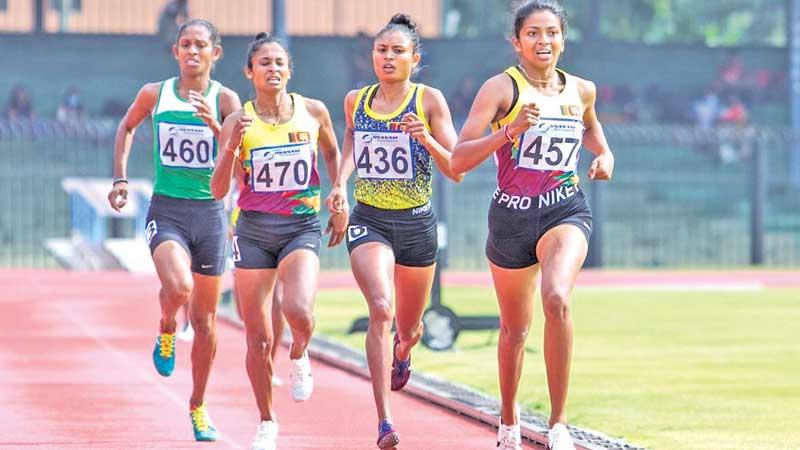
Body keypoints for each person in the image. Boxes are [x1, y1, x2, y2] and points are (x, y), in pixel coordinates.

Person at [450, 2, 615, 449]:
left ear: (563, 38)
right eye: (533, 34)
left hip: (565, 208)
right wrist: (509, 131)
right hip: (510, 218)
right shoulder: (501, 88)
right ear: (517, 41)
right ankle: (508, 419)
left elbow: (593, 133)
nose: (544, 42)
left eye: (552, 33)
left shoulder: (582, 90)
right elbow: (458, 158)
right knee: (514, 329)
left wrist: (604, 155)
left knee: (557, 297)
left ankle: (559, 424)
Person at [328, 13, 463, 449]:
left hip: (416, 222)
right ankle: (384, 421)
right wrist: (340, 185)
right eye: (382, 50)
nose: (388, 58)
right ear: (373, 56)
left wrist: (425, 138)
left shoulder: (428, 101)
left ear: (414, 58)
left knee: (408, 328)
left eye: (398, 51)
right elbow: (351, 139)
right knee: (381, 309)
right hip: (369, 219)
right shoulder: (356, 100)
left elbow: (455, 167)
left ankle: (403, 352)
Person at [106, 19, 241, 442]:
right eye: (186, 44)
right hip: (167, 208)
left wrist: (217, 125)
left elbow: (238, 157)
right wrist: (121, 179)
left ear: (215, 54)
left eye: (201, 45)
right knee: (179, 288)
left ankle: (198, 406)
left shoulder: (226, 99)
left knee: (205, 321)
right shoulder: (155, 93)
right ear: (176, 51)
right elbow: (126, 126)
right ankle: (166, 327)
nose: (193, 52)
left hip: (210, 213)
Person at [211, 32, 346, 450]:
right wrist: (232, 145)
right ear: (249, 72)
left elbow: (332, 155)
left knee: (298, 311)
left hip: (300, 226)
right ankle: (267, 421)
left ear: (290, 70)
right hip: (253, 230)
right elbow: (218, 188)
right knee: (259, 338)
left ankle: (300, 352)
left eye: (278, 62)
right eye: (263, 63)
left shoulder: (312, 111)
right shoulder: (238, 121)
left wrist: (338, 194)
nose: (272, 69)